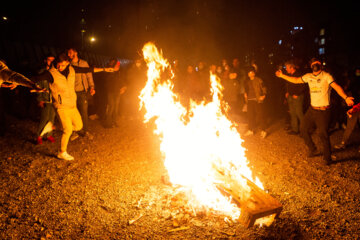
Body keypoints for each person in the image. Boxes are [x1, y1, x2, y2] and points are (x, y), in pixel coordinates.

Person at [34, 53, 113, 160]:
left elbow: (87, 70)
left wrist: (104, 69)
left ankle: (52, 127)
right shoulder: (50, 74)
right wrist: (18, 82)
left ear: (68, 63)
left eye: (63, 65)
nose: (60, 67)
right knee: (68, 130)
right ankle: (62, 152)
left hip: (72, 104)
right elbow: (35, 78)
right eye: (59, 65)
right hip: (61, 106)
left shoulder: (71, 69)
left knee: (79, 126)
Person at [275, 58, 354, 165]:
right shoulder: (309, 76)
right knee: (303, 129)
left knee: (322, 134)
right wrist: (282, 75)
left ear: (320, 65)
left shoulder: (326, 76)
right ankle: (313, 149)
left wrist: (346, 98)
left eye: (317, 63)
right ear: (311, 65)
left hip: (324, 111)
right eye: (313, 63)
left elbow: (336, 87)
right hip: (312, 109)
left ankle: (328, 158)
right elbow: (296, 80)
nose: (315, 65)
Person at [68, 48, 95, 140]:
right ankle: (75, 131)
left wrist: (92, 87)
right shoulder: (68, 64)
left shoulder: (83, 63)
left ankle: (85, 131)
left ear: (76, 53)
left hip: (83, 92)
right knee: (73, 113)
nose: (69, 54)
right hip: (71, 93)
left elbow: (89, 75)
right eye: (68, 53)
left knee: (84, 112)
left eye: (70, 52)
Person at [35, 54, 56, 145]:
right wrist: (40, 99)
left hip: (54, 99)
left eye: (52, 60)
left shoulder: (56, 72)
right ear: (45, 61)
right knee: (44, 118)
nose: (50, 62)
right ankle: (39, 136)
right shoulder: (41, 72)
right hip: (45, 98)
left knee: (51, 118)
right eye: (49, 60)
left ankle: (48, 135)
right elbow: (38, 86)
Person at [283, 60, 306, 135]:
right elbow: (288, 84)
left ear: (291, 67)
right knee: (292, 113)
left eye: (287, 68)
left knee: (299, 113)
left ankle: (304, 131)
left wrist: (298, 93)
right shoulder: (289, 75)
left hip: (297, 97)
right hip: (290, 96)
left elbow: (303, 85)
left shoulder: (299, 74)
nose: (286, 69)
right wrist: (287, 92)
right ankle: (295, 129)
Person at [244, 67, 267, 138]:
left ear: (254, 73)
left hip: (257, 99)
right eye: (249, 73)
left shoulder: (258, 80)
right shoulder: (247, 81)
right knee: (250, 115)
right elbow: (246, 90)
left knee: (260, 115)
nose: (250, 74)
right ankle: (251, 130)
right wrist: (245, 94)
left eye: (252, 72)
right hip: (250, 100)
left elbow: (264, 87)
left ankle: (263, 130)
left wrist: (264, 95)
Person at [103, 58, 126, 128]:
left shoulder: (119, 72)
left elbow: (122, 80)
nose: (117, 66)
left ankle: (114, 121)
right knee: (111, 106)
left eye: (117, 65)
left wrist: (123, 87)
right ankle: (108, 123)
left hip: (117, 92)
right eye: (116, 65)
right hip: (111, 92)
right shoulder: (108, 71)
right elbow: (106, 81)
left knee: (116, 107)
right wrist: (113, 71)